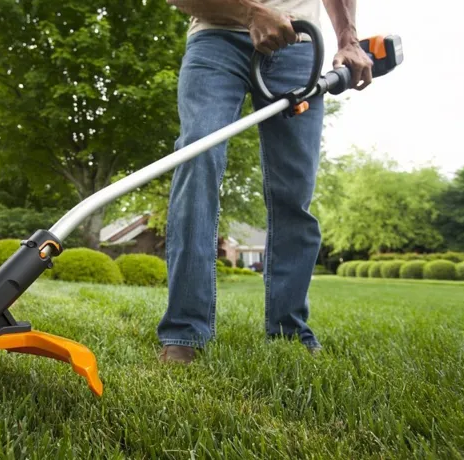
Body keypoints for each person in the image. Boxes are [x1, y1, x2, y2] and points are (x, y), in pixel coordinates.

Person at [157, 0, 373, 363]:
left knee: (294, 189)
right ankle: (184, 331)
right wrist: (249, 12)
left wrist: (349, 39)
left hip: (298, 44)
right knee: (197, 164)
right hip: (215, 38)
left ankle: (289, 330)